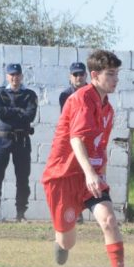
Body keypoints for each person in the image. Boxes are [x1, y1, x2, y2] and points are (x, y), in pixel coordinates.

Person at [41, 50, 134, 267]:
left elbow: (98, 145)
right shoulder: (81, 99)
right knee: (67, 241)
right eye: (111, 74)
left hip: (90, 175)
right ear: (94, 75)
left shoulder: (108, 108)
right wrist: (89, 173)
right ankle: (60, 243)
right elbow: (76, 140)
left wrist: (98, 174)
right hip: (63, 176)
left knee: (109, 221)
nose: (116, 79)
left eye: (117, 74)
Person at [0, 63, 38, 223]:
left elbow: (30, 116)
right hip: (2, 139)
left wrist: (10, 112)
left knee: (23, 178)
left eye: (17, 75)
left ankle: (20, 214)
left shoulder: (29, 95)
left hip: (21, 140)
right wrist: (19, 111)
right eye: (12, 75)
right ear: (7, 76)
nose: (15, 78)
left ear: (22, 76)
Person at [59, 62, 89, 224]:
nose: (78, 77)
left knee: (86, 177)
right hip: (72, 141)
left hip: (89, 140)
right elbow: (67, 120)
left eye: (81, 74)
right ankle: (74, 212)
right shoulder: (65, 95)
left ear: (86, 75)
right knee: (71, 177)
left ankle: (83, 209)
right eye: (75, 74)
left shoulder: (92, 93)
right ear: (70, 76)